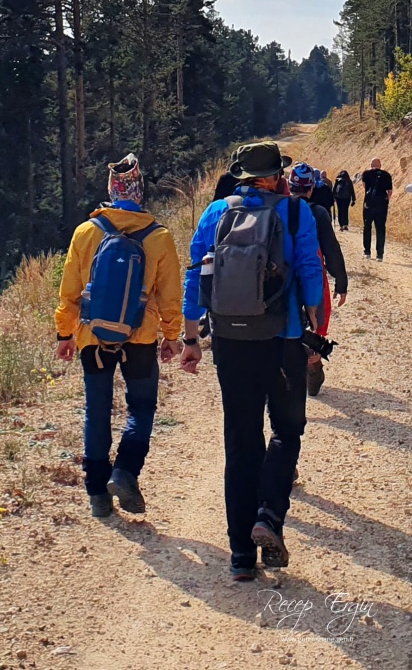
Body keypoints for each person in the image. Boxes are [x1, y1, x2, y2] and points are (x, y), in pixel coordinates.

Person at [179, 141, 326, 581]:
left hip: (230, 340)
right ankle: (269, 516)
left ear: (242, 175)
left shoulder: (215, 212)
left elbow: (196, 276)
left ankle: (241, 554)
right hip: (282, 340)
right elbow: (310, 272)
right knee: (287, 429)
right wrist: (314, 322)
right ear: (277, 176)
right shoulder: (296, 212)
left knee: (241, 440)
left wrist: (191, 337)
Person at [55, 155, 184, 518]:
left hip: (92, 336)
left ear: (111, 190)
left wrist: (65, 333)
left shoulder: (86, 232)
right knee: (141, 407)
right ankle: (125, 471)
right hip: (140, 337)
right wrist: (172, 336)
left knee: (97, 410)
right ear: (140, 193)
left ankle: (97, 493)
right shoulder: (158, 236)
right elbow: (170, 294)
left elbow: (70, 290)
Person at [288, 162, 346, 397]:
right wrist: (341, 282)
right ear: (311, 188)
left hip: (284, 279)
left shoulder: (278, 208)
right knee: (316, 325)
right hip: (314, 276)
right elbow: (331, 249)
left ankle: (291, 375)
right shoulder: (318, 213)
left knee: (288, 324)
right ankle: (313, 365)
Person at [358, 158, 393, 260]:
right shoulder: (386, 175)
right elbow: (390, 191)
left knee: (367, 227)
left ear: (371, 164)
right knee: (380, 229)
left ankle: (367, 252)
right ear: (380, 165)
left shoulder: (366, 174)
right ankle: (380, 255)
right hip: (381, 206)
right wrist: (385, 201)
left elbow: (364, 186)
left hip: (369, 204)